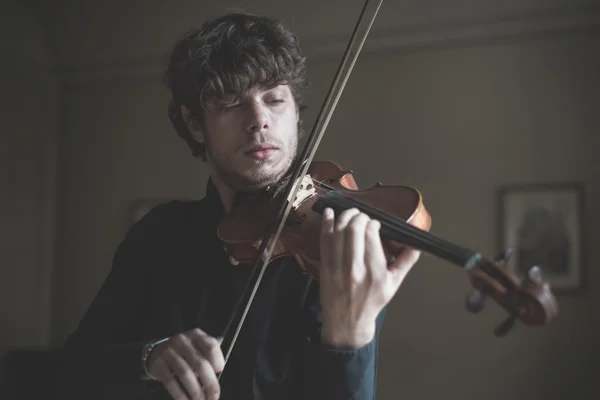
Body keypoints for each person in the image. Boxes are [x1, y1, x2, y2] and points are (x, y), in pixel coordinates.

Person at [60, 12, 421, 400]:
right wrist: (150, 356)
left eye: (275, 99)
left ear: (297, 112)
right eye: (231, 103)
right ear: (195, 124)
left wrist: (351, 339)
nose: (259, 121)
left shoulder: (331, 250)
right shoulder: (157, 235)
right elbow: (76, 369)